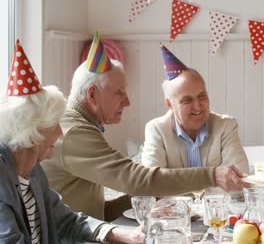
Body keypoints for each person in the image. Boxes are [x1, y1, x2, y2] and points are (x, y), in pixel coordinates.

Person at [41, 33, 249, 221]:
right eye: (119, 92)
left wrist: (154, 193)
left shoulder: (78, 125)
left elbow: (98, 211)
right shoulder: (74, 132)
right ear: (93, 95)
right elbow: (136, 179)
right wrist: (212, 175)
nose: (127, 101)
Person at [0, 40, 143, 243]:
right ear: (32, 130)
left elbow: (68, 221)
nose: (60, 132)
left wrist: (124, 235)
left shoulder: (32, 171)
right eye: (53, 125)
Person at [141, 44, 249, 175]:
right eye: (187, 100)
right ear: (169, 104)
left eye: (202, 96)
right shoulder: (157, 129)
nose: (198, 106)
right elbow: (151, 182)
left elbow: (237, 180)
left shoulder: (226, 126)